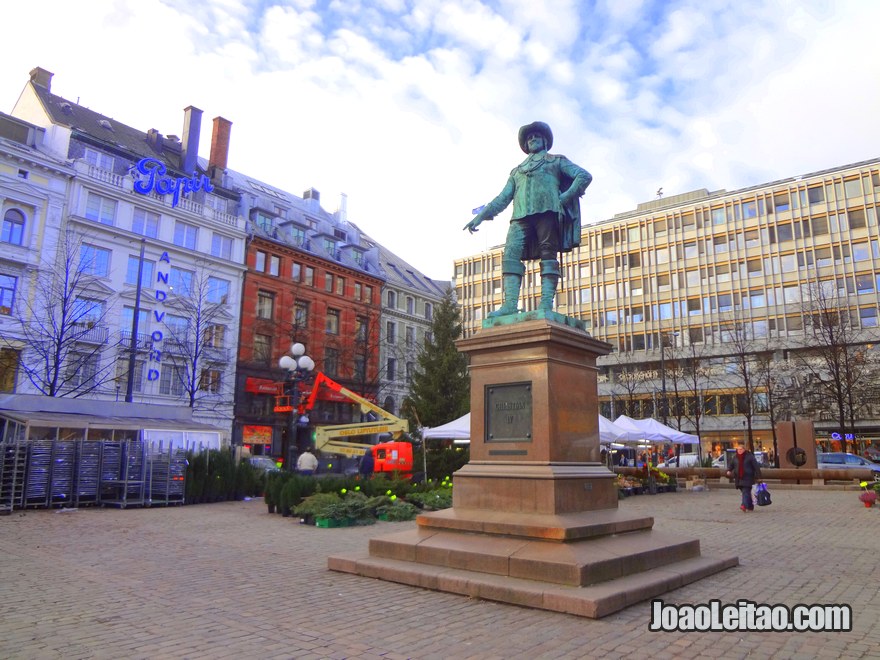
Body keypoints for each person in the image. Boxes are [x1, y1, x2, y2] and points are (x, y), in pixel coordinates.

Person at [464, 121, 592, 317]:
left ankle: (546, 304)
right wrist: (480, 216)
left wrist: (564, 197)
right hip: (520, 217)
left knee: (548, 255)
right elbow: (503, 198)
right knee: (510, 255)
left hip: (547, 212)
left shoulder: (555, 161)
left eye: (536, 136)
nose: (532, 139)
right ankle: (509, 305)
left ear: (545, 141)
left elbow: (583, 176)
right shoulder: (517, 172)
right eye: (529, 138)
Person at [726, 446, 762, 512]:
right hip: (738, 478)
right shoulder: (735, 457)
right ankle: (750, 506)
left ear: (744, 449)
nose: (739, 450)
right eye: (738, 449)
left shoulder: (749, 457)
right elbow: (731, 465)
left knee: (745, 491)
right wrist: (729, 470)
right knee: (745, 492)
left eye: (741, 449)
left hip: (748, 477)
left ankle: (744, 505)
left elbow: (756, 467)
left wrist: (759, 477)